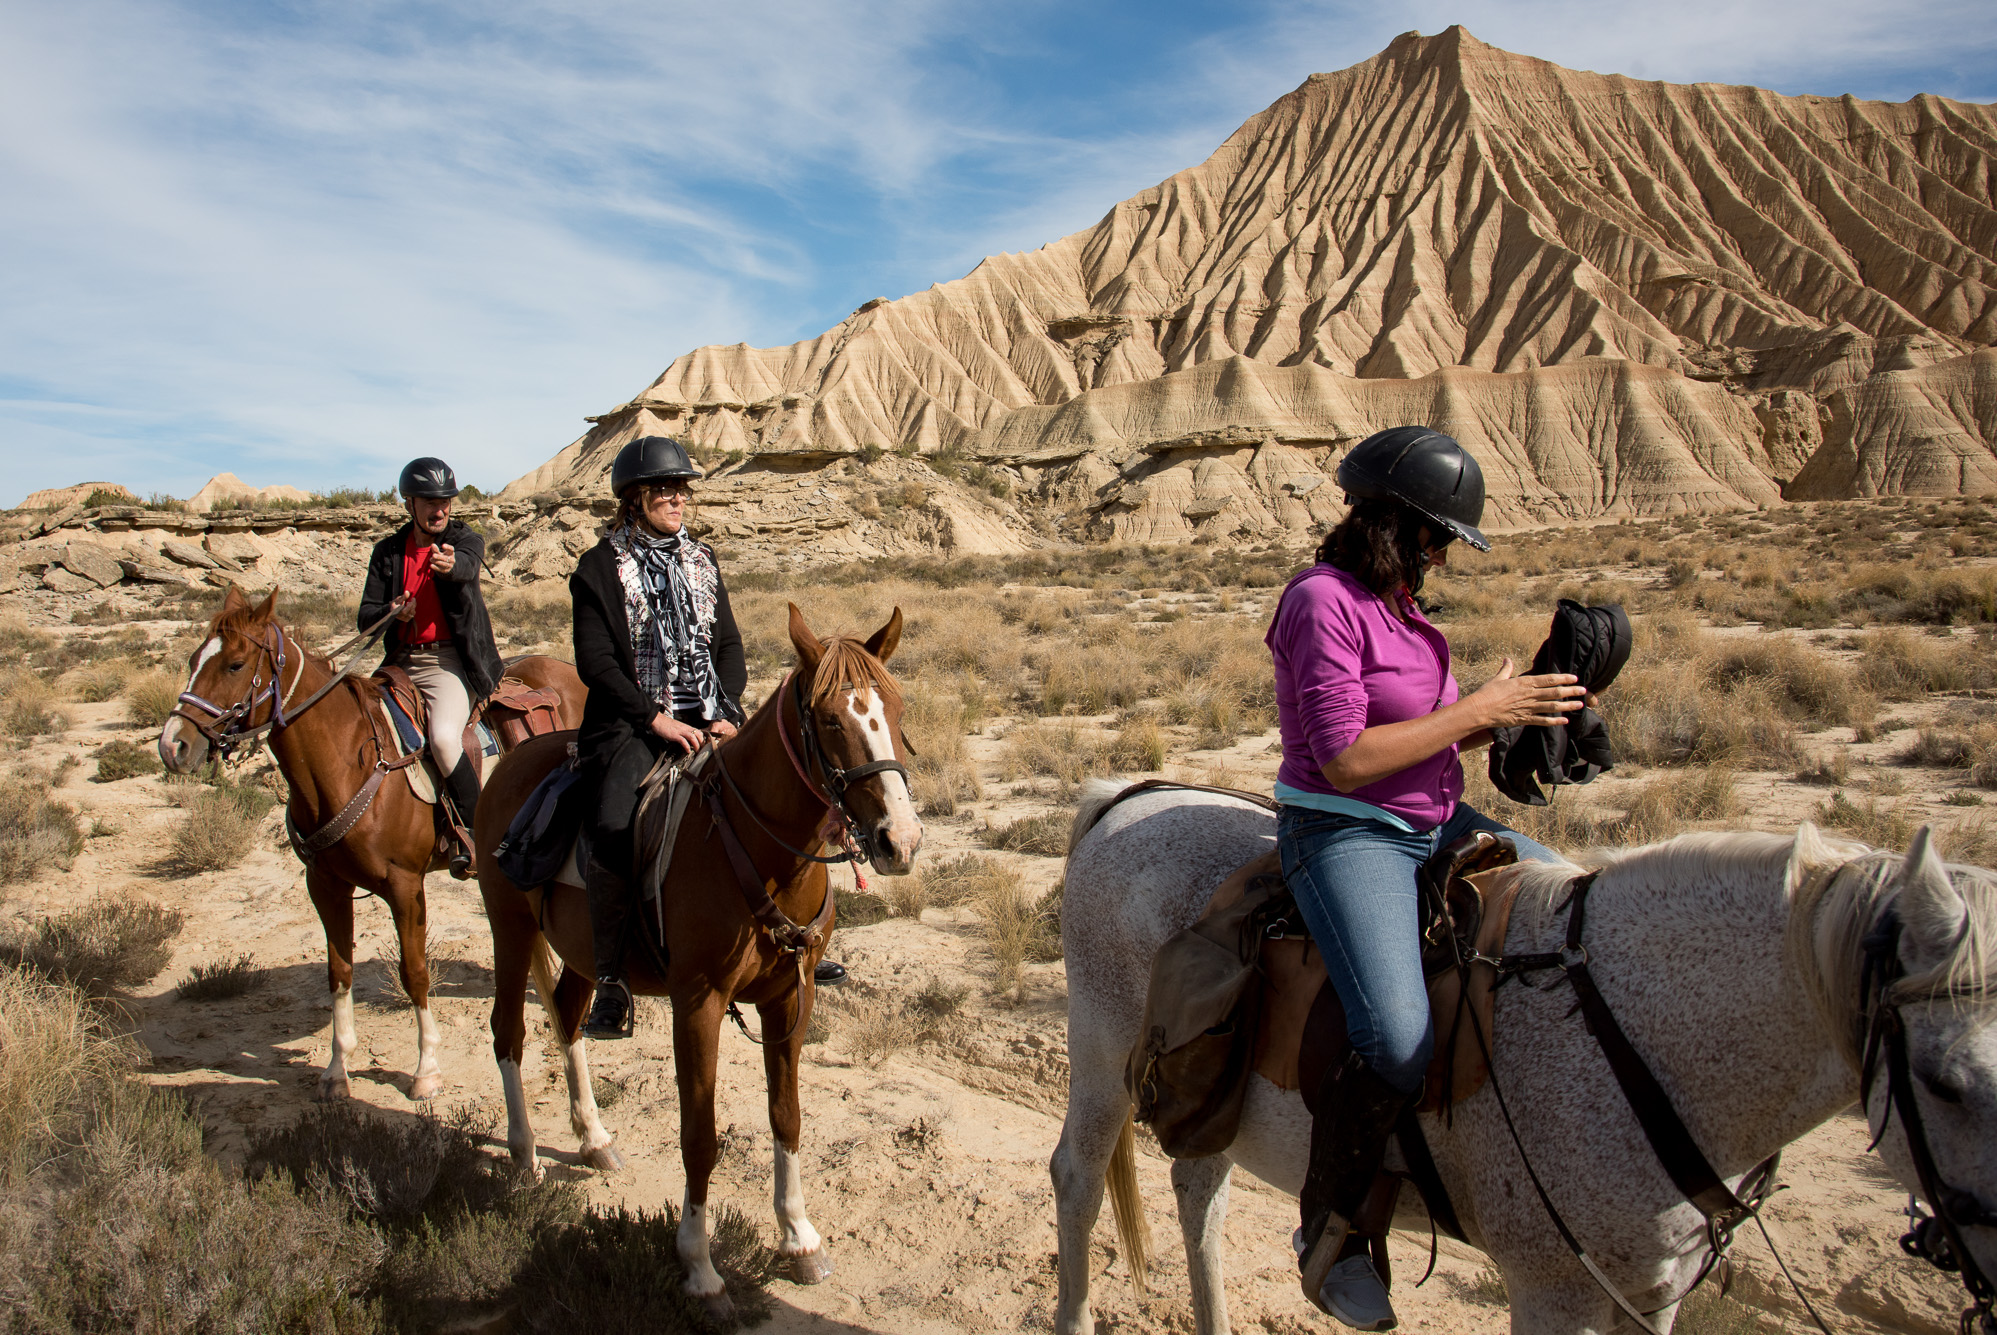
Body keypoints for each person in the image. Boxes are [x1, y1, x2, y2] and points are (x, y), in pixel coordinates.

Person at [1266, 426, 1587, 1331]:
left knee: (1567, 901)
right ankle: (1328, 1232)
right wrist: (1476, 709)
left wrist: (1521, 713)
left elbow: (1427, 730)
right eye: (1436, 537)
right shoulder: (1321, 601)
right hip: (1345, 832)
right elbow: (1344, 759)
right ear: (1395, 524)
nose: (1442, 556)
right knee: (1396, 1032)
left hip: (1435, 817)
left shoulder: (1399, 606)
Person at [572, 436, 747, 1040]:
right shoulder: (600, 566)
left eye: (682, 489)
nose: (678, 499)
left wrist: (724, 710)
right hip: (633, 725)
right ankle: (612, 977)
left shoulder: (702, 560)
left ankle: (787, 939)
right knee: (616, 825)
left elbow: (727, 645)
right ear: (635, 498)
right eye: (666, 490)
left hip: (708, 715)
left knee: (782, 791)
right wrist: (657, 719)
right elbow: (596, 662)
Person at [358, 457, 504, 879]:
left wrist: (450, 567)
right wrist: (390, 613)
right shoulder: (387, 552)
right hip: (400, 663)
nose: (440, 509)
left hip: (449, 662)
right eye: (430, 501)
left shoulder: (463, 540)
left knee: (442, 739)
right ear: (410, 504)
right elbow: (364, 617)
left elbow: (468, 565)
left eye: (446, 500)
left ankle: (477, 833)